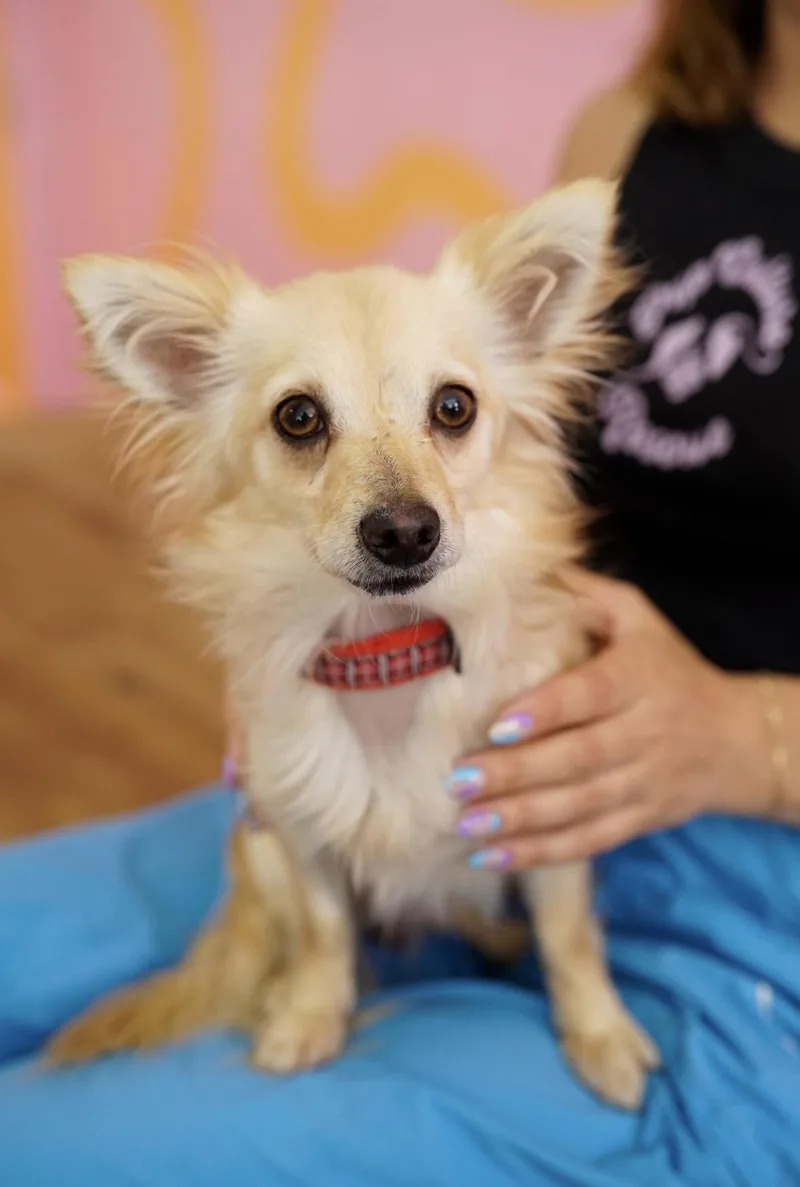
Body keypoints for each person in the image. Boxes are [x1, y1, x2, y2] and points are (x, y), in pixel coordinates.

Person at [2, 2, 800, 1183]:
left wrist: (752, 734)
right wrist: (288, 650)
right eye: (302, 421)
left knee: (40, 1144)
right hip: (437, 731)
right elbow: (522, 466)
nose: (398, 502)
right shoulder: (630, 129)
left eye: (447, 411)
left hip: (743, 880)